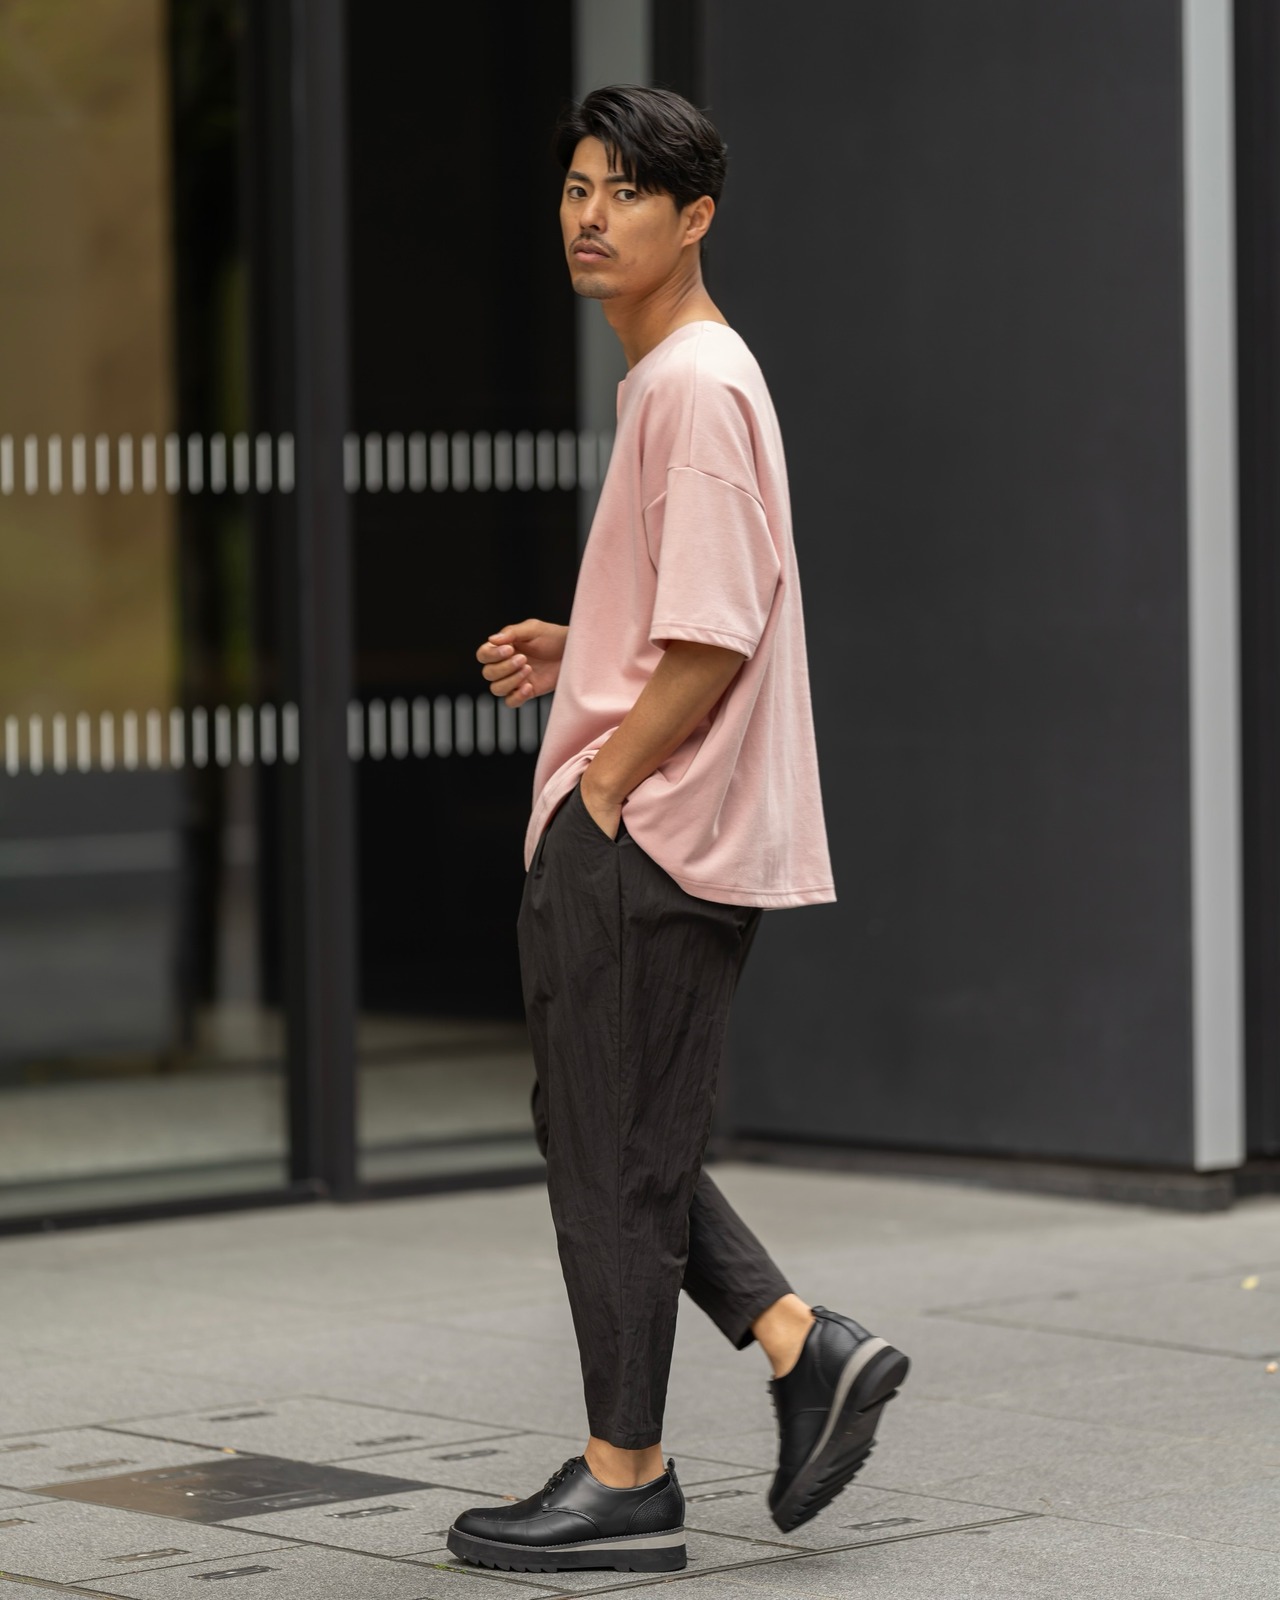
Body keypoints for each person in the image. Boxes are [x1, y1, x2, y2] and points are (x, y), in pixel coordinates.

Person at [448, 85, 909, 1578]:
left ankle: (626, 1478)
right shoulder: (681, 377)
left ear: (694, 217)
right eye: (576, 187)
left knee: (613, 1152)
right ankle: (799, 1343)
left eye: (626, 192)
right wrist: (583, 646)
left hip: (648, 834)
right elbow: (690, 612)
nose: (590, 217)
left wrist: (604, 786)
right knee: (607, 1134)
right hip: (658, 824)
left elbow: (714, 639)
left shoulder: (694, 385)